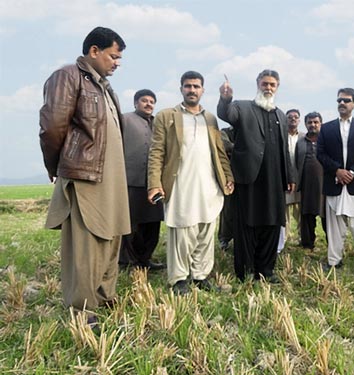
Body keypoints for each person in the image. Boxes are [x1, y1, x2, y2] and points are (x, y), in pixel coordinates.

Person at [39, 27, 129, 321]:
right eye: (113, 56)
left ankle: (104, 298)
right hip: (85, 176)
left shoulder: (103, 86)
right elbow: (53, 126)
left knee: (111, 238)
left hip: (110, 178)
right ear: (94, 51)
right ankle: (82, 310)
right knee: (86, 243)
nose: (117, 63)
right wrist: (58, 166)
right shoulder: (68, 76)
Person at [148, 71, 234, 295]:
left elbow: (220, 152)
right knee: (183, 233)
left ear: (203, 90)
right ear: (181, 89)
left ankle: (200, 276)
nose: (192, 90)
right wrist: (154, 183)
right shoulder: (167, 116)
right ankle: (179, 279)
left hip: (209, 185)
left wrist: (228, 176)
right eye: (188, 86)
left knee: (206, 232)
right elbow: (156, 152)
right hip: (181, 185)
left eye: (196, 86)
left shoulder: (210, 118)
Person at [217, 69, 296, 282]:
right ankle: (245, 270)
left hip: (273, 180)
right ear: (258, 84)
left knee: (272, 224)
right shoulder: (242, 107)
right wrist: (225, 99)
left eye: (272, 84)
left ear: (277, 86)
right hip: (249, 178)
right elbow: (226, 114)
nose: (268, 88)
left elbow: (284, 149)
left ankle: (266, 270)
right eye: (265, 84)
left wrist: (290, 176)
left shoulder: (280, 114)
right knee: (247, 225)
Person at [317, 88, 354, 271]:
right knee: (334, 227)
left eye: (346, 100)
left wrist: (352, 172)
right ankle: (334, 261)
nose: (342, 103)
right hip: (334, 183)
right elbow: (321, 153)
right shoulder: (326, 128)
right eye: (339, 100)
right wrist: (337, 170)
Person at [119, 89, 165, 271]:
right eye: (144, 101)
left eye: (152, 101)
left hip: (154, 183)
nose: (148, 104)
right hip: (130, 180)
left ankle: (146, 259)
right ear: (136, 103)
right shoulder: (125, 120)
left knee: (153, 224)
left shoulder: (158, 124)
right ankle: (127, 261)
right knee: (131, 224)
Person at [296, 112, 327, 250]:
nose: (313, 125)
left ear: (321, 123)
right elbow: (297, 162)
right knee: (307, 215)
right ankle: (307, 244)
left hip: (325, 185)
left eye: (316, 122)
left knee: (327, 216)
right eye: (310, 122)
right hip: (307, 184)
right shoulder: (301, 142)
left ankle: (332, 244)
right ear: (305, 124)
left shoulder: (327, 140)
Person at [282, 109, 304, 245]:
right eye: (290, 117)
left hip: (301, 179)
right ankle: (283, 240)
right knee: (284, 213)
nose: (293, 119)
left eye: (296, 117)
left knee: (300, 211)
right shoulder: (281, 136)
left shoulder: (304, 137)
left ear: (299, 120)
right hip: (284, 179)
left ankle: (302, 238)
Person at [218, 126, 235, 252]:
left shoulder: (249, 129)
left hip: (246, 175)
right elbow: (225, 145)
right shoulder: (225, 132)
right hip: (228, 175)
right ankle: (224, 238)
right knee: (228, 210)